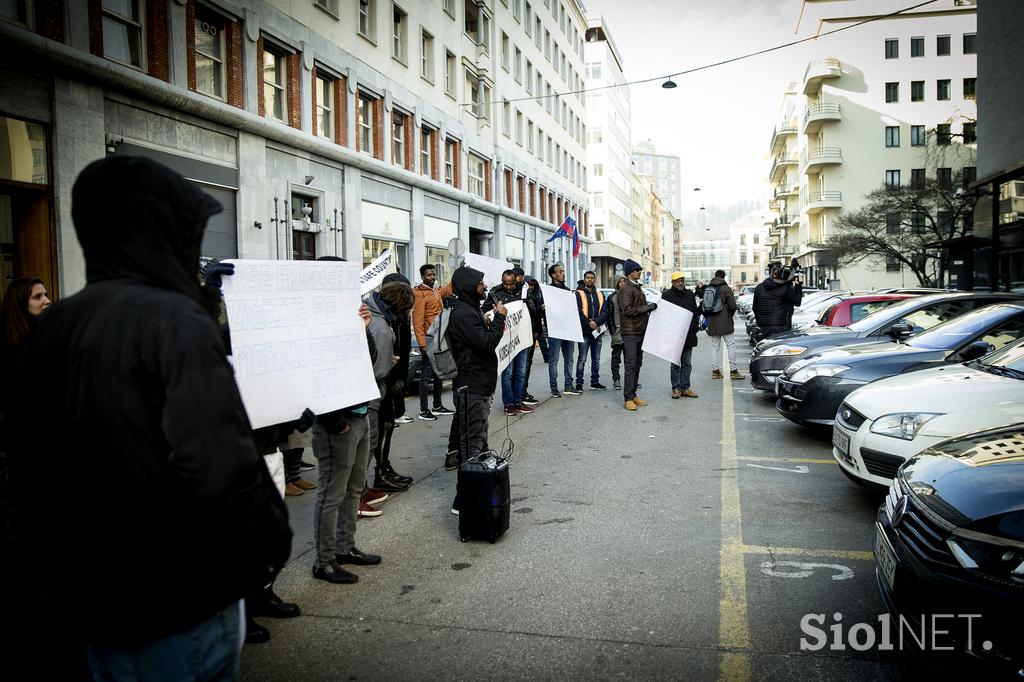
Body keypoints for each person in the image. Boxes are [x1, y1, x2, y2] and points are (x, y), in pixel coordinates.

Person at [9, 156, 292, 680]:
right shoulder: (175, 321)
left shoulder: (58, 324)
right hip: (177, 593)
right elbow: (219, 463)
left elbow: (30, 464)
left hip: (94, 595)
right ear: (160, 233)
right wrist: (269, 543)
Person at [308, 256, 383, 585]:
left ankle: (345, 547)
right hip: (335, 423)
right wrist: (334, 420)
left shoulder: (348, 313)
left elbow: (369, 362)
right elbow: (311, 376)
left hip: (360, 413)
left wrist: (364, 332)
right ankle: (323, 561)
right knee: (332, 492)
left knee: (354, 488)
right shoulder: (311, 322)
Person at [444, 266, 507, 494]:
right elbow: (486, 344)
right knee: (472, 446)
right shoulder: (463, 313)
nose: (485, 286)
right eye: (481, 282)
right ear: (470, 286)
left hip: (480, 384)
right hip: (473, 386)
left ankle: (475, 497)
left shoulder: (470, 310)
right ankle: (466, 500)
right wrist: (499, 318)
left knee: (478, 443)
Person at [364, 281, 417, 505]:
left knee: (370, 440)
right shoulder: (381, 326)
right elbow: (378, 368)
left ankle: (363, 489)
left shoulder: (376, 315)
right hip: (373, 391)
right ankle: (358, 495)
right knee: (367, 443)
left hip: (374, 388)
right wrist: (390, 363)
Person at [483, 270, 533, 416]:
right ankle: (509, 403)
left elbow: (530, 309)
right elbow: (484, 313)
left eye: (512, 284)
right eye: (506, 284)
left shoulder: (523, 292)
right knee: (508, 373)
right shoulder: (494, 293)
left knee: (521, 372)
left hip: (521, 336)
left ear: (516, 281)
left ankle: (518, 401)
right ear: (502, 281)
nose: (509, 287)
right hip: (506, 339)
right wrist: (492, 313)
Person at [412, 264, 455, 421]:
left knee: (439, 373)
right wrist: (422, 344)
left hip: (440, 338)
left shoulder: (436, 291)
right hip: (429, 341)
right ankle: (424, 410)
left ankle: (437, 406)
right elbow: (417, 322)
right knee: (426, 376)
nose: (432, 277)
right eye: (429, 275)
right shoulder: (419, 294)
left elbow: (450, 289)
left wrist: (458, 271)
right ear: (423, 277)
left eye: (434, 274)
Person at [618, 259, 657, 410]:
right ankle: (628, 398)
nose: (640, 272)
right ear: (630, 272)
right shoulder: (626, 288)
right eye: (637, 270)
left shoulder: (636, 287)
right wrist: (647, 308)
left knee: (637, 363)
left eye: (640, 269)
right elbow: (627, 310)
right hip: (630, 332)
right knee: (631, 364)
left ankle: (633, 395)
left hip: (640, 330)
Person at [542, 263, 581, 397]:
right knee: (554, 360)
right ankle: (554, 388)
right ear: (553, 275)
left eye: (563, 271)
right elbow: (541, 310)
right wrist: (543, 309)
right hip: (555, 331)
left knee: (569, 359)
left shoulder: (568, 291)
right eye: (560, 271)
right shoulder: (547, 292)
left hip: (568, 330)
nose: (563, 273)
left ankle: (568, 386)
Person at [661, 272, 700, 399]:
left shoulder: (689, 294)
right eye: (677, 281)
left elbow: (695, 312)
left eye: (682, 280)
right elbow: (663, 315)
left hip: (688, 335)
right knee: (675, 364)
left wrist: (694, 328)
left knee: (687, 363)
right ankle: (676, 389)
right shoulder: (666, 295)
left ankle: (685, 388)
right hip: (674, 336)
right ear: (672, 282)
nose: (680, 283)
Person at [705, 269, 744, 380]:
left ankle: (715, 371)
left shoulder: (709, 288)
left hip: (712, 321)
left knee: (714, 347)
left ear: (715, 276)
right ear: (723, 277)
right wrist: (729, 315)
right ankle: (733, 371)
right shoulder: (726, 288)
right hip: (725, 321)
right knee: (730, 346)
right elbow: (733, 306)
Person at [574, 270, 609, 391]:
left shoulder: (600, 295)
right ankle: (579, 383)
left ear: (594, 280)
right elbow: (577, 312)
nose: (589, 279)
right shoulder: (578, 294)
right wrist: (590, 323)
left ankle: (595, 382)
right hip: (584, 332)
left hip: (597, 333)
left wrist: (597, 322)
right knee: (582, 359)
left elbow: (605, 311)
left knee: (597, 359)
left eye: (591, 278)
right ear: (584, 280)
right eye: (587, 278)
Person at [752, 261, 804, 339]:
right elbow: (797, 302)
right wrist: (798, 286)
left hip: (763, 327)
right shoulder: (785, 288)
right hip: (781, 327)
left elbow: (754, 307)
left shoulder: (759, 287)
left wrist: (760, 322)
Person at [522, 275, 543, 404]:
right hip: (523, 334)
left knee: (527, 365)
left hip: (532, 333)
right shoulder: (523, 296)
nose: (531, 288)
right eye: (528, 285)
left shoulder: (537, 296)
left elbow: (537, 316)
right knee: (520, 367)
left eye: (533, 286)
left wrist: (537, 331)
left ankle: (523, 391)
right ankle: (518, 394)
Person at [606, 275, 627, 391]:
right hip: (617, 333)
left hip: (629, 332)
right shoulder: (612, 297)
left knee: (630, 359)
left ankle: (632, 380)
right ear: (616, 284)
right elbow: (609, 316)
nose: (622, 283)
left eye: (624, 281)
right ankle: (616, 379)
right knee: (616, 358)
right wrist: (613, 331)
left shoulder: (630, 295)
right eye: (620, 282)